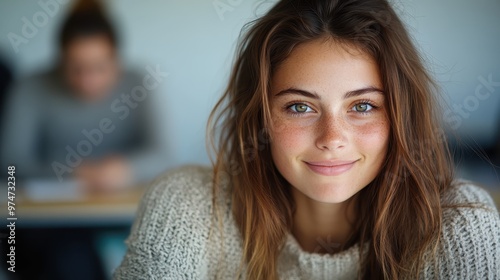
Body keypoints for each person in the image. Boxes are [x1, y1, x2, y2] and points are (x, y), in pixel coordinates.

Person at [114, 0, 500, 279]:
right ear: (259, 118)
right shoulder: (189, 203)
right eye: (300, 107)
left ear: (402, 115)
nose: (332, 139)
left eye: (363, 106)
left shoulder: (458, 222)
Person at [1, 0, 168, 191]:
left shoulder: (140, 84)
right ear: (60, 60)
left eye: (98, 68)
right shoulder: (30, 87)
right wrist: (72, 171)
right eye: (76, 68)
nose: (88, 81)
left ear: (116, 59)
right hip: (47, 214)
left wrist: (128, 169)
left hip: (123, 210)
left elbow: (164, 155)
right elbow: (10, 164)